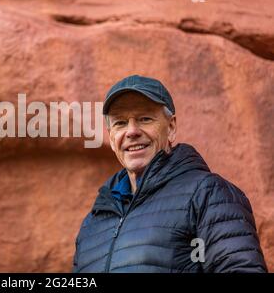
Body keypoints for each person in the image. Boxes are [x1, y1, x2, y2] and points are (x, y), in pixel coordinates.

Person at [72, 75, 267, 273]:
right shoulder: (93, 223)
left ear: (171, 128)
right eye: (120, 123)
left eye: (145, 119)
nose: (131, 131)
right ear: (112, 138)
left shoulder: (207, 194)